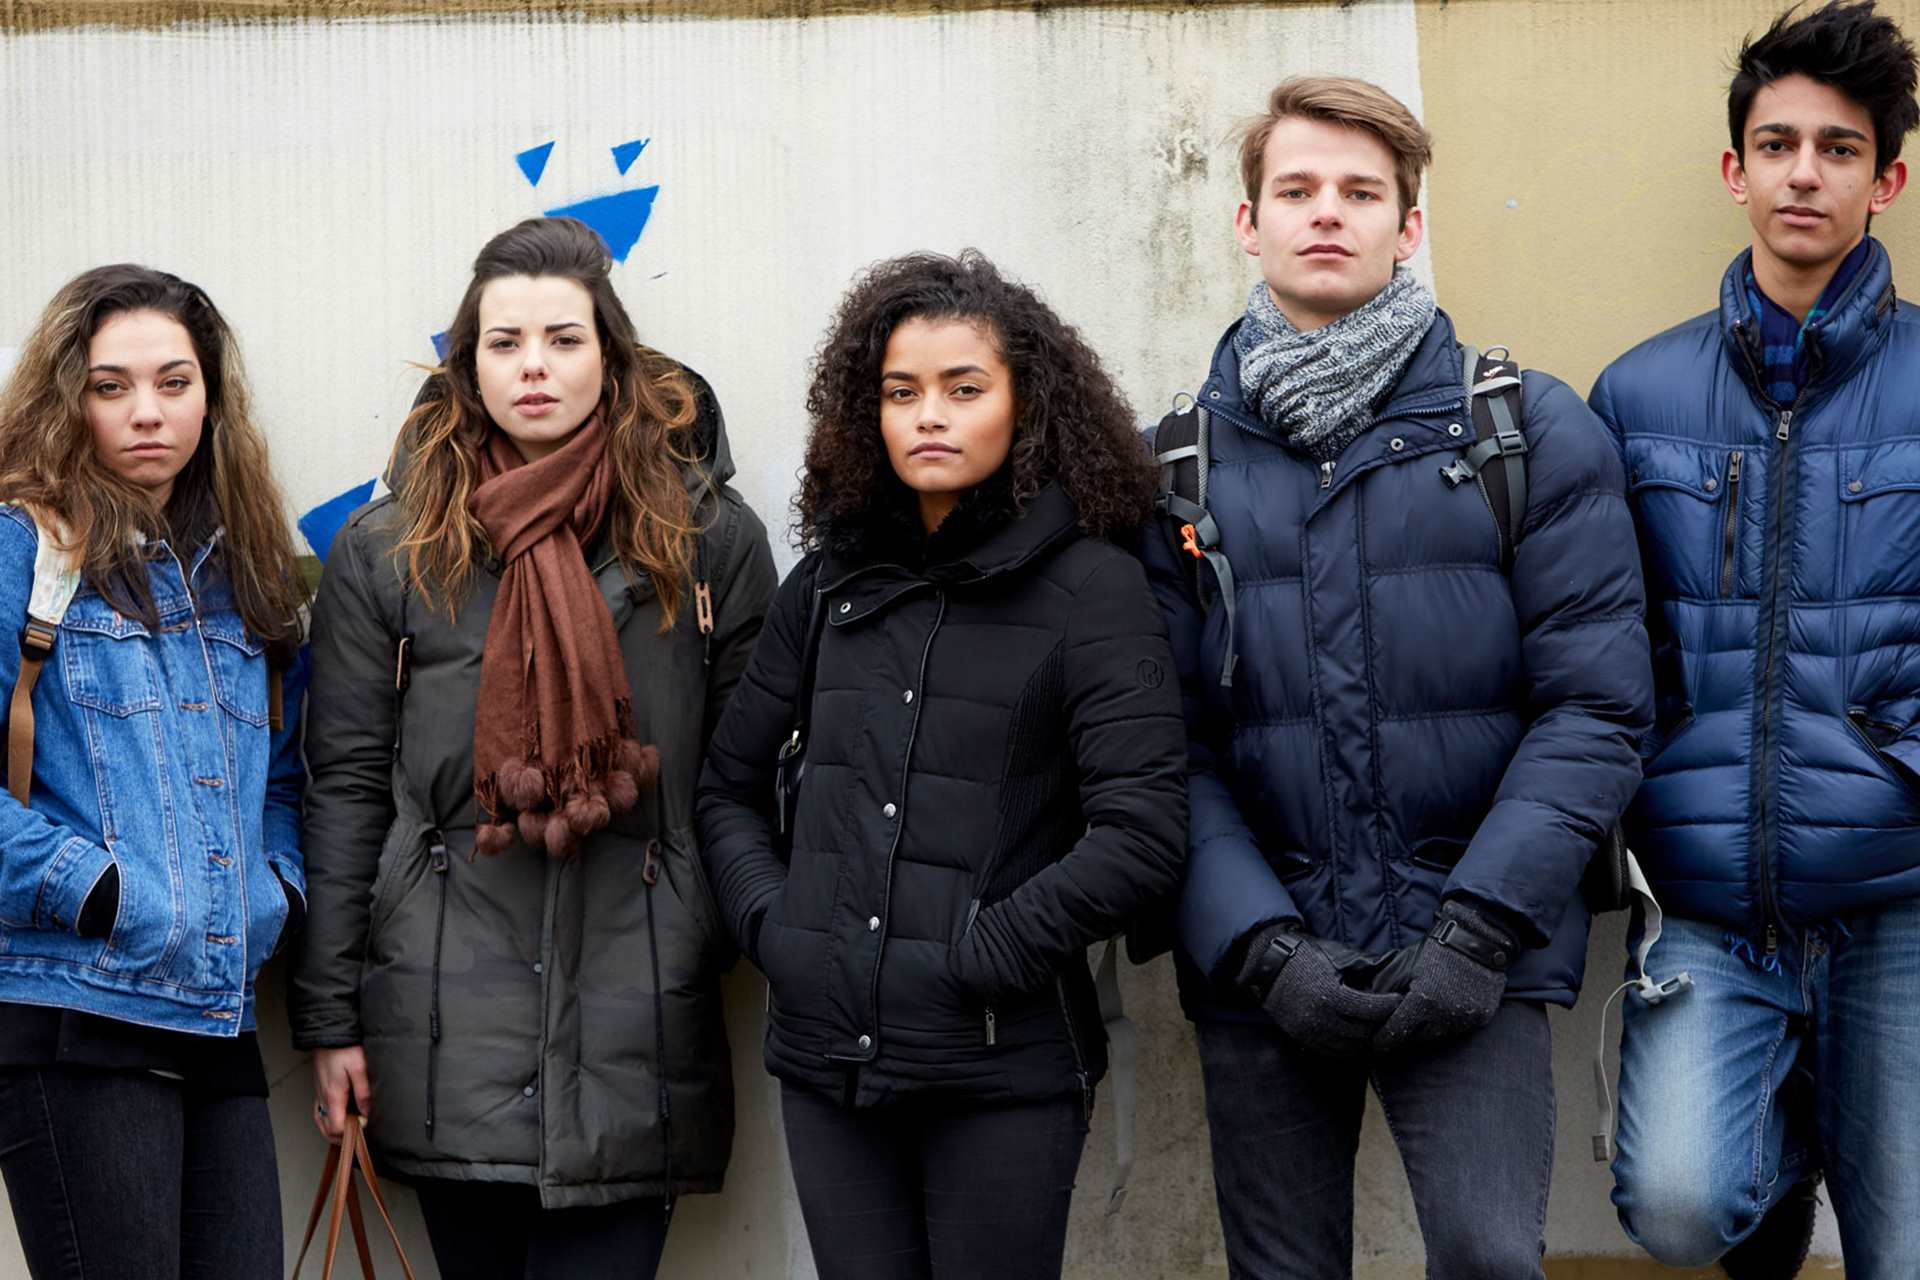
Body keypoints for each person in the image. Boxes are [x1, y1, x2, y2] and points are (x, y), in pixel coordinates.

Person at [1143, 77, 1651, 1278]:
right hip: (1263, 966)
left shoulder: (1528, 429)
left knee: (1487, 1254)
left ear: (1409, 224)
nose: (1328, 212)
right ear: (1247, 222)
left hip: (1474, 952)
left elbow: (1597, 707)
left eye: (1361, 192)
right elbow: (1161, 747)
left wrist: (1476, 929)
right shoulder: (1176, 468)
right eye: (1297, 190)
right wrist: (1262, 946)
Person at [290, 215, 776, 1279]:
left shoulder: (707, 539)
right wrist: (329, 1020)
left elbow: (747, 774)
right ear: (469, 366)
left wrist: (699, 919)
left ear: (611, 355)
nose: (535, 367)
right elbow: (348, 792)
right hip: (441, 1019)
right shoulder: (392, 549)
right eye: (505, 343)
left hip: (640, 1016)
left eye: (563, 338)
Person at [696, 250, 1188, 1280]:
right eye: (901, 392)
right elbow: (726, 789)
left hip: (1002, 1064)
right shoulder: (827, 585)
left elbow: (1142, 834)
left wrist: (988, 952)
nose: (930, 416)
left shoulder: (1093, 589)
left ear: (1026, 406)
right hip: (827, 1063)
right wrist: (781, 930)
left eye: (964, 389)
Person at [1591, 4, 1920, 1276]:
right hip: (1708, 898)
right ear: (1734, 170)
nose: (1803, 173)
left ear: (1887, 180)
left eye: (1840, 149)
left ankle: (1833, 1100)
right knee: (1682, 1205)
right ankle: (1780, 1145)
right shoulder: (1637, 393)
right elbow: (1602, 638)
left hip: (1896, 892)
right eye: (1777, 144)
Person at [0, 264, 309, 1278]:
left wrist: (272, 889)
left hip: (217, 1014)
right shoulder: (21, 548)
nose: (147, 412)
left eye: (175, 382)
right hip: (76, 1010)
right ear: (68, 399)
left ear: (210, 397)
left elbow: (280, 773)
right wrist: (98, 890)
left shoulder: (247, 567)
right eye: (112, 385)